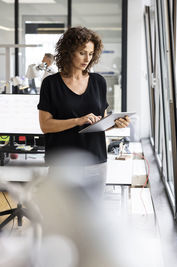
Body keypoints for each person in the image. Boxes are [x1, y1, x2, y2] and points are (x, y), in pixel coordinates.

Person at [37, 27, 130, 196]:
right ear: (68, 52)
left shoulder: (98, 82)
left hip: (95, 161)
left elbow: (98, 123)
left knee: (91, 220)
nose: (87, 58)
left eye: (91, 53)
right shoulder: (51, 84)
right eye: (82, 52)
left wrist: (114, 124)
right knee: (60, 219)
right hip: (62, 163)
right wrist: (77, 121)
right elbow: (45, 125)